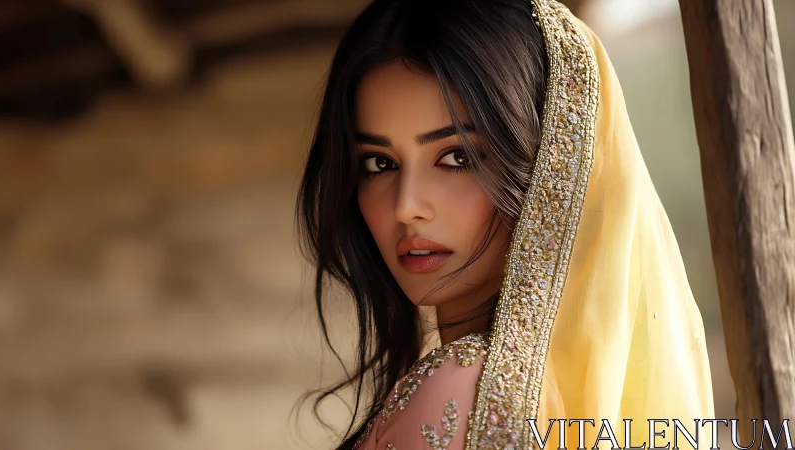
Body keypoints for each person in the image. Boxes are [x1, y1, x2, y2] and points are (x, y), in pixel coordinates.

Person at [296, 0, 716, 448]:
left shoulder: (454, 397)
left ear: (550, 165)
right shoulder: (568, 400)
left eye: (457, 157)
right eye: (380, 163)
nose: (406, 207)